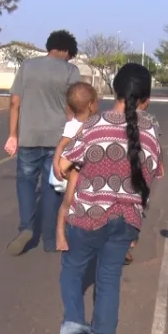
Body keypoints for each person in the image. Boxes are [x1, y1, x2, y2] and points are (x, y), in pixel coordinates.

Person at [55, 63, 163, 334]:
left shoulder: (93, 125)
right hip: (127, 220)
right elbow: (152, 173)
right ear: (147, 99)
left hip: (87, 215)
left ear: (113, 91)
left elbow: (63, 166)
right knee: (108, 279)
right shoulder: (152, 131)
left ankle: (75, 325)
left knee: (73, 270)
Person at [4, 30, 82, 255]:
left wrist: (13, 134)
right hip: (57, 139)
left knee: (26, 182)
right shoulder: (70, 70)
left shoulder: (27, 67)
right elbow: (73, 106)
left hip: (29, 136)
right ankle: (49, 239)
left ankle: (26, 228)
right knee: (52, 187)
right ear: (67, 51)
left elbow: (14, 102)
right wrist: (74, 135)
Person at [52, 82, 100, 252]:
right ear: (91, 105)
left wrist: (56, 160)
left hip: (83, 167)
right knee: (68, 201)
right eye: (97, 100)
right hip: (75, 169)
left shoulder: (92, 122)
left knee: (71, 202)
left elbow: (60, 146)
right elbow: (62, 143)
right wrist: (56, 162)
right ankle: (60, 233)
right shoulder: (74, 125)